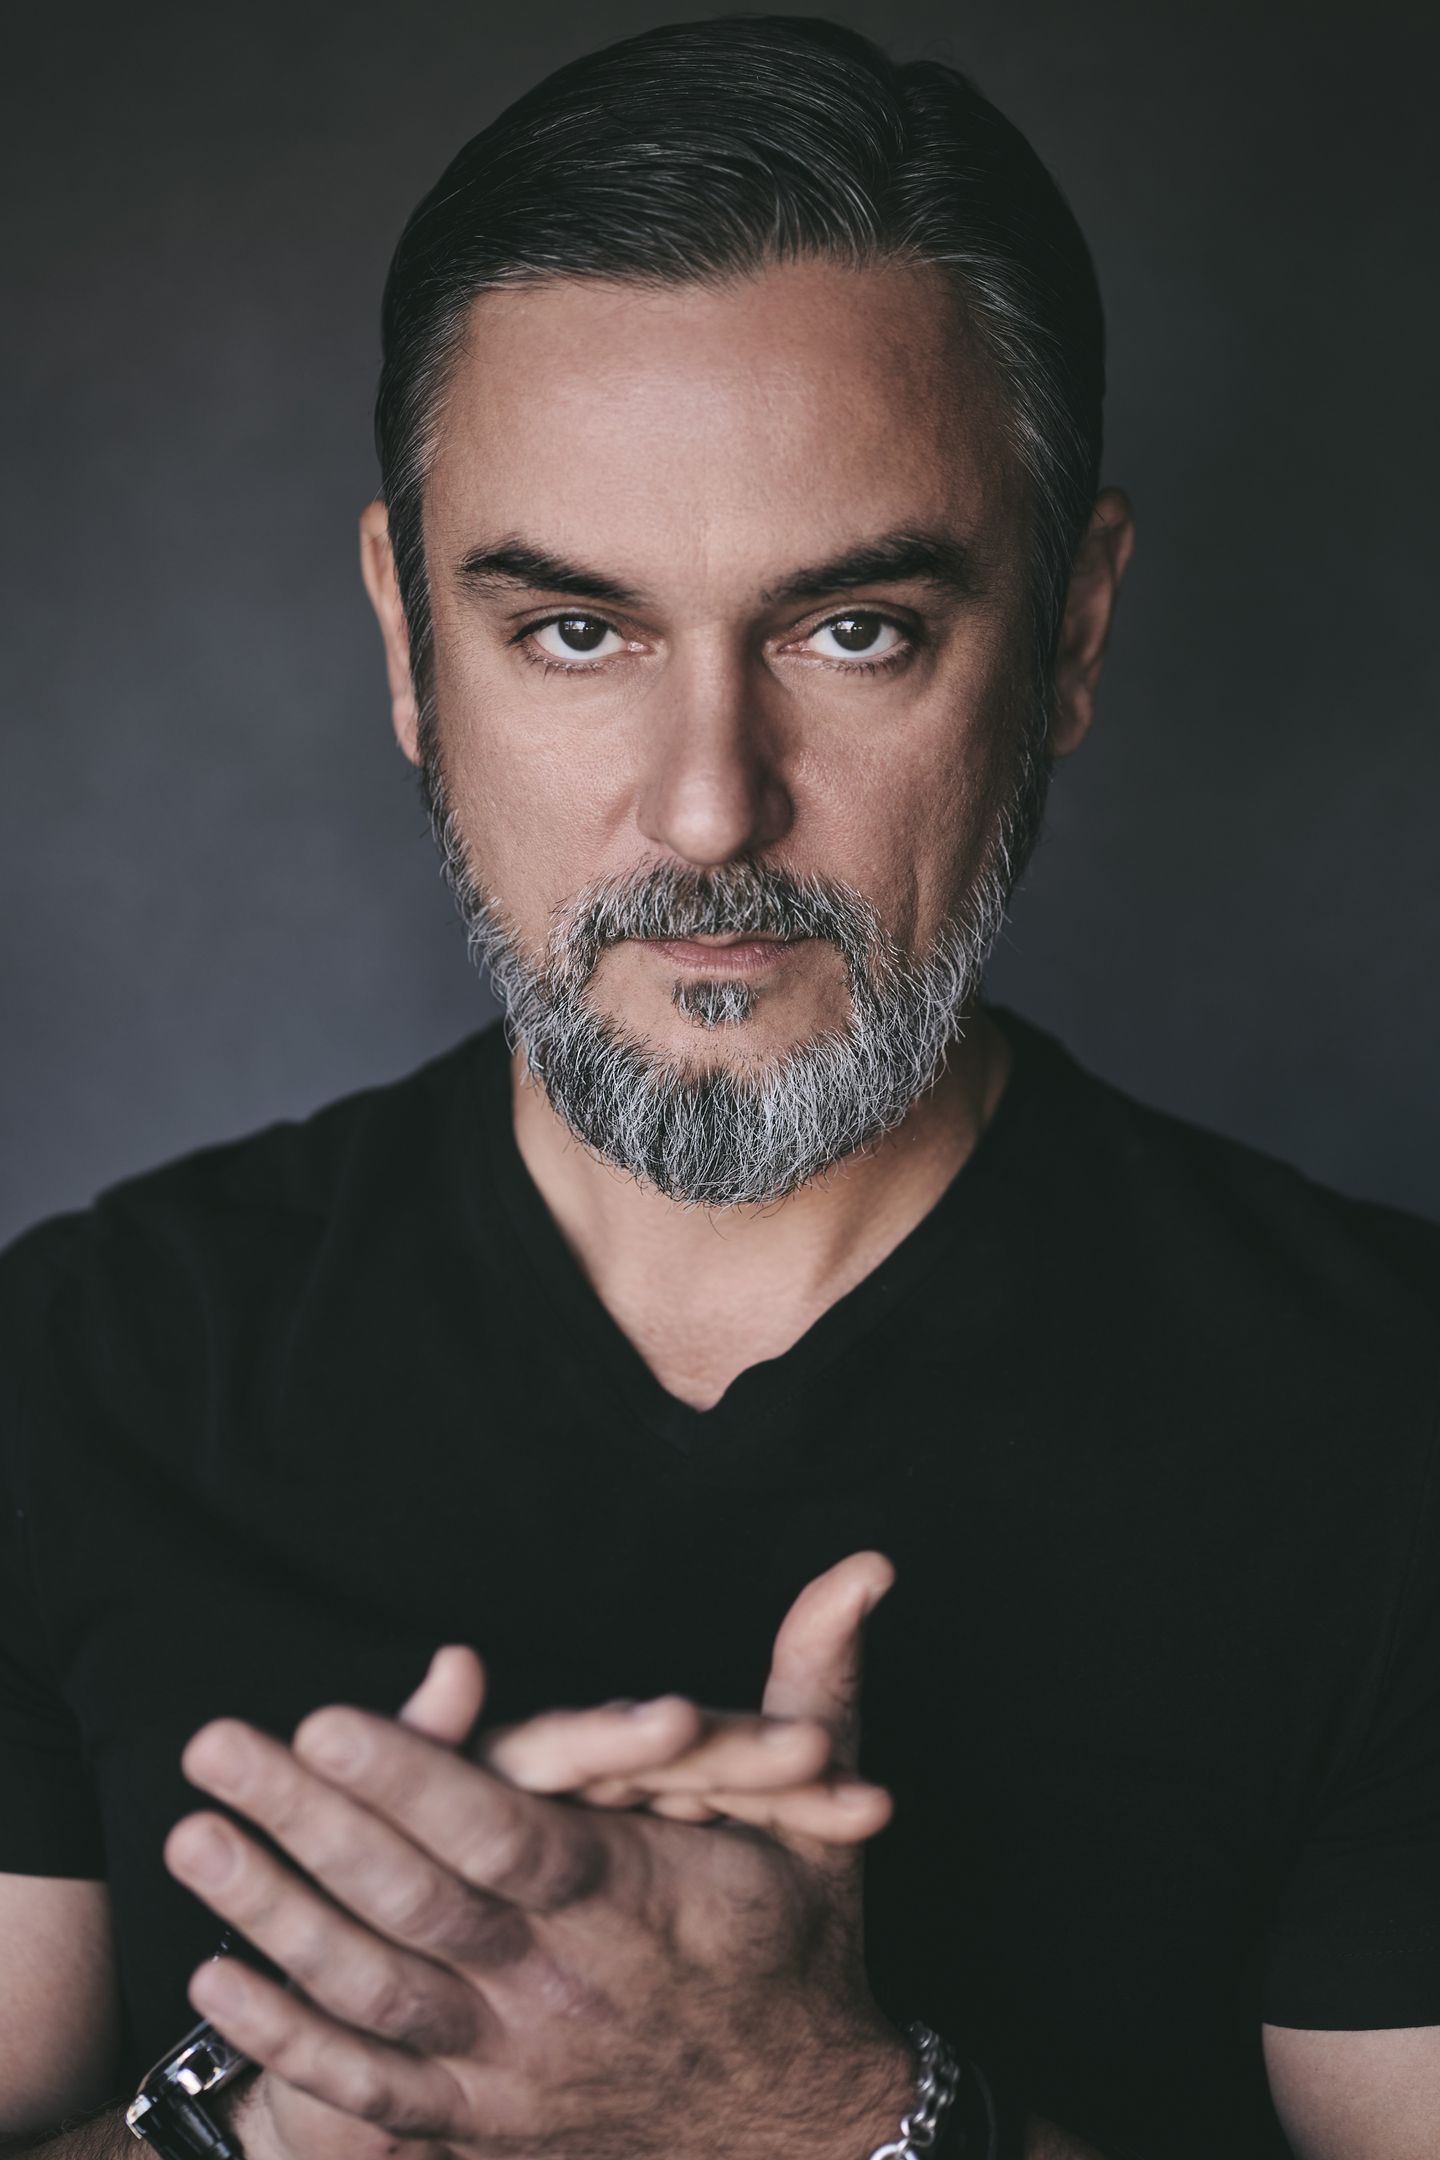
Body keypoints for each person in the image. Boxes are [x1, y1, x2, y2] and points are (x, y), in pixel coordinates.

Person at [2, 15, 1437, 2159]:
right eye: (576, 632)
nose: (706, 808)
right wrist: (284, 2123)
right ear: (407, 643)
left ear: (1070, 634)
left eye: (853, 629)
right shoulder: (66, 1380)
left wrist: (820, 2115)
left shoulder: (1395, 1436)